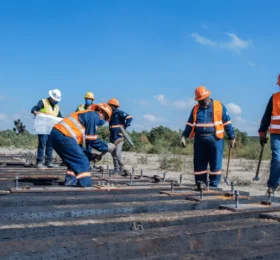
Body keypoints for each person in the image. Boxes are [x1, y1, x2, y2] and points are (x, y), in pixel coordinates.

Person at [181, 86, 235, 188]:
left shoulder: (219, 106)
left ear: (207, 96)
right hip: (199, 140)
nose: (200, 102)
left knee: (215, 163)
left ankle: (214, 185)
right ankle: (201, 183)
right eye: (198, 100)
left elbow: (227, 122)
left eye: (201, 100)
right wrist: (184, 136)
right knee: (199, 163)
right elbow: (189, 124)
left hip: (215, 140)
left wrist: (231, 137)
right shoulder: (195, 109)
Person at [50, 103, 116, 187]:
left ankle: (70, 185)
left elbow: (78, 147)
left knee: (74, 161)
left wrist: (91, 156)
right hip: (63, 136)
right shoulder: (93, 116)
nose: (103, 120)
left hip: (56, 135)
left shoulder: (85, 117)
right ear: (99, 111)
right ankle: (86, 189)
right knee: (83, 163)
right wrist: (106, 146)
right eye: (104, 117)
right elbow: (92, 140)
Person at [258, 74, 280, 193]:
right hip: (276, 135)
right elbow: (266, 117)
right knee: (277, 159)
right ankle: (272, 186)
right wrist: (262, 133)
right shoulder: (274, 98)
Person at [31, 89, 62, 169]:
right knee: (42, 144)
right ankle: (39, 162)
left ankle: (48, 162)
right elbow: (35, 108)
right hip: (43, 128)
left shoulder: (56, 107)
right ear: (51, 97)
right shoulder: (43, 102)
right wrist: (34, 111)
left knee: (50, 145)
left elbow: (60, 117)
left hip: (51, 129)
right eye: (55, 100)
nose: (56, 102)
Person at [108, 98, 133, 175]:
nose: (109, 107)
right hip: (113, 137)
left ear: (114, 106)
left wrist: (124, 128)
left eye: (110, 105)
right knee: (113, 154)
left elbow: (129, 118)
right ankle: (116, 169)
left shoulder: (119, 113)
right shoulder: (109, 114)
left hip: (119, 138)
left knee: (118, 154)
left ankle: (122, 169)